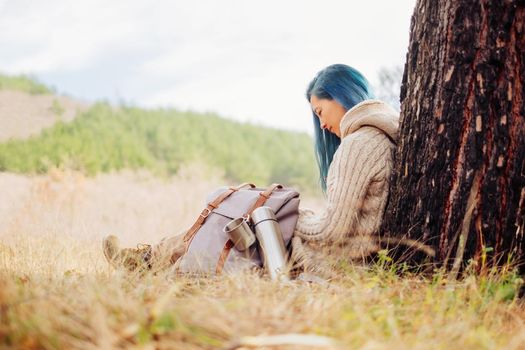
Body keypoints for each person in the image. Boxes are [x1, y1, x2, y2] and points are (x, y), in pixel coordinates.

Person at [102, 64, 399, 275]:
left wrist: (293, 218)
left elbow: (332, 230)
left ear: (343, 95)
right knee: (240, 213)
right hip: (348, 259)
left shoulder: (357, 145)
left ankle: (147, 260)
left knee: (239, 211)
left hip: (331, 262)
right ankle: (150, 259)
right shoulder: (379, 138)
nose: (321, 124)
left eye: (320, 111)